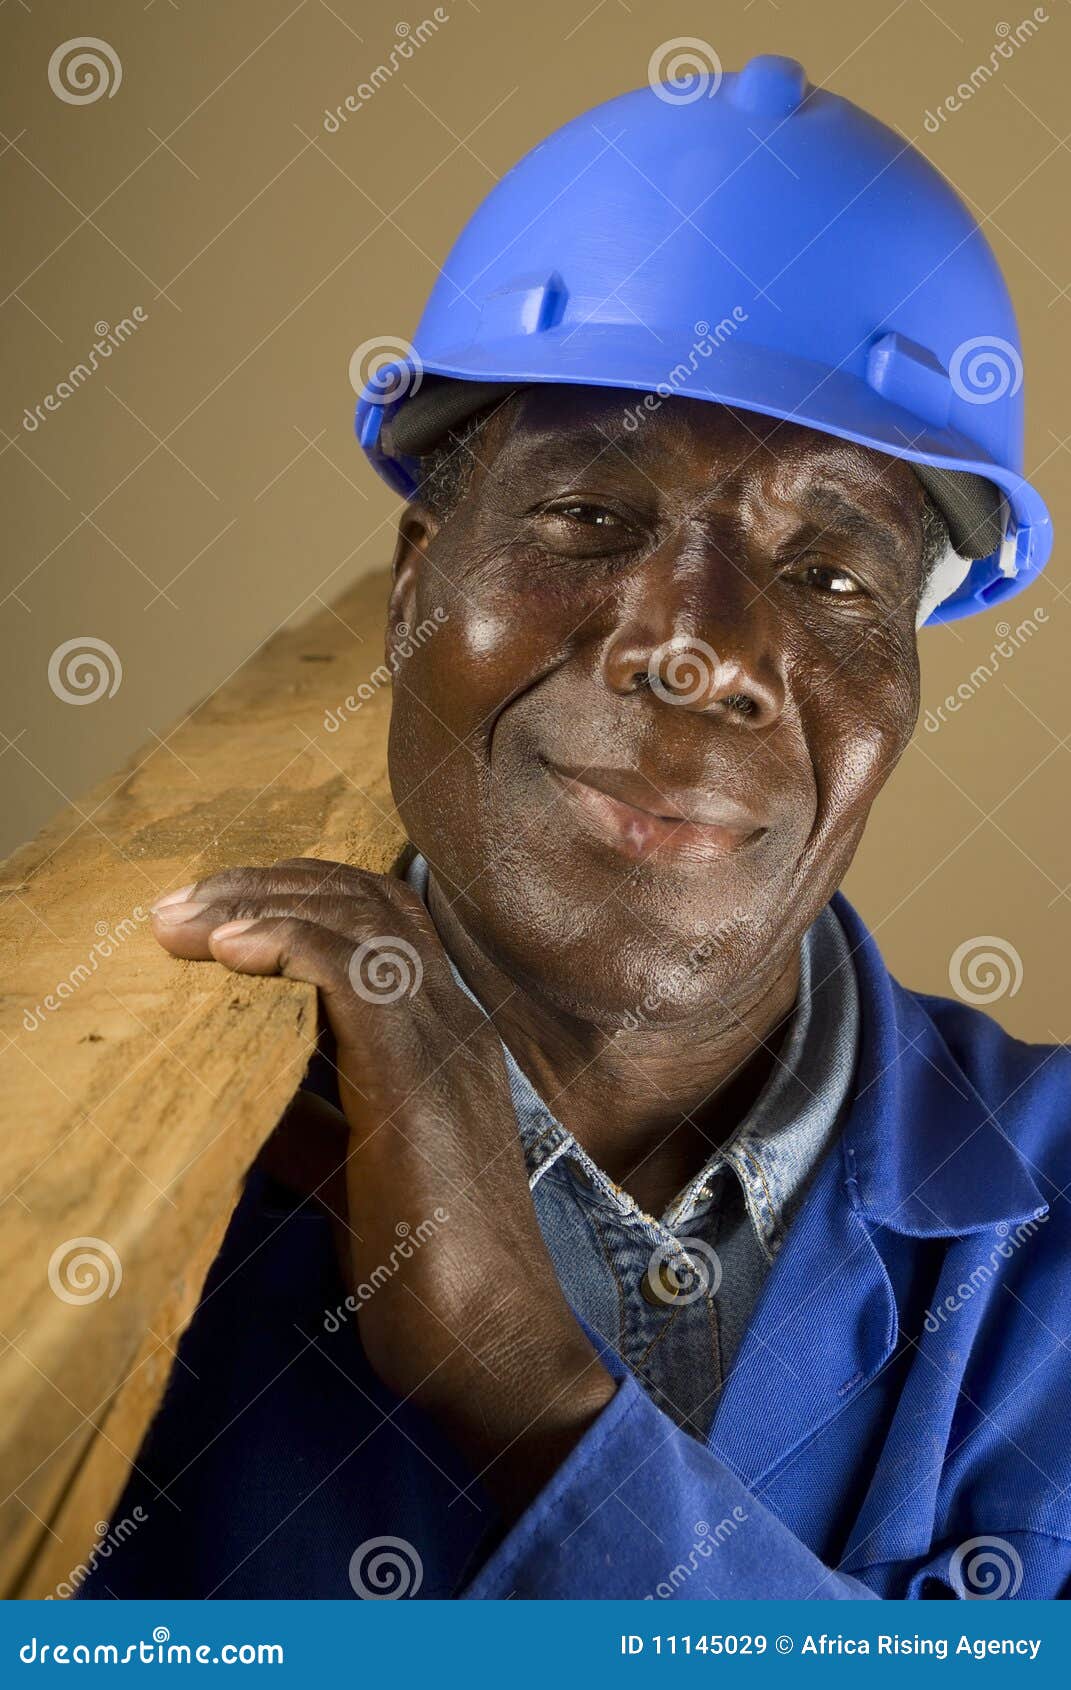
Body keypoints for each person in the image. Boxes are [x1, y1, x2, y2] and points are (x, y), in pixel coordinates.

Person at [82, 54, 1067, 1602]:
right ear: (413, 593)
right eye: (593, 516)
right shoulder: (112, 1181)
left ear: (900, 686)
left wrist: (537, 1399)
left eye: (831, 581)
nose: (704, 647)